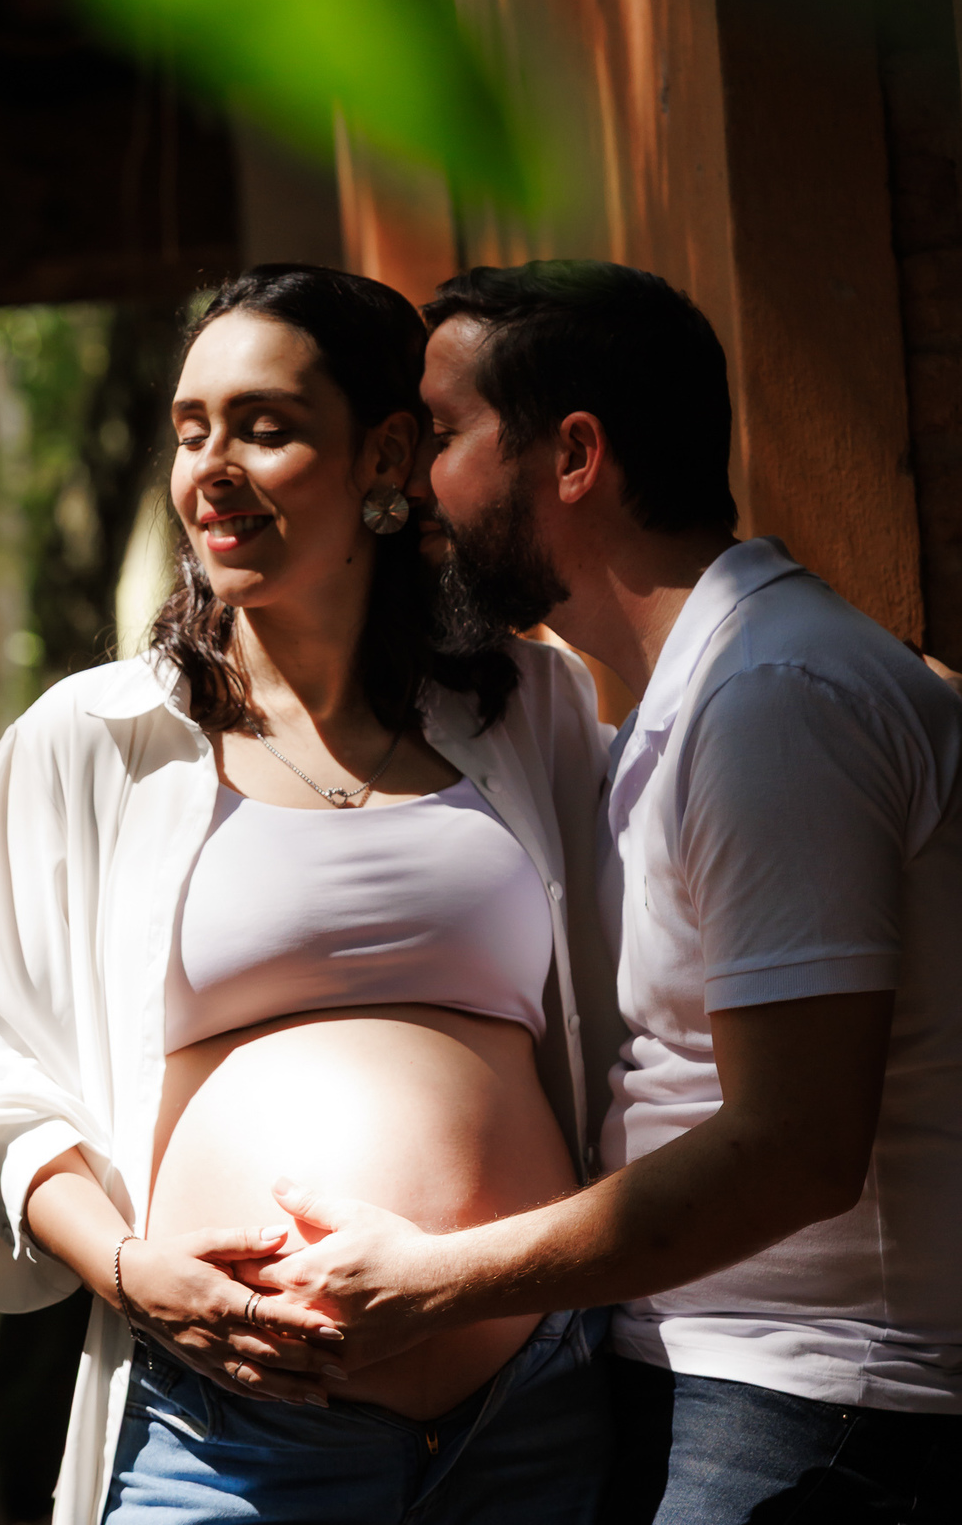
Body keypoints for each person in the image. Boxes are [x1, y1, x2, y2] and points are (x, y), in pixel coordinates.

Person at [0, 264, 620, 1525]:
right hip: (230, 1431)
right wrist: (130, 1273)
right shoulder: (94, 741)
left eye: (264, 428)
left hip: (534, 1411)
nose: (209, 470)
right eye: (191, 432)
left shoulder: (529, 708)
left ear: (387, 453)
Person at [255, 261, 962, 1523]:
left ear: (574, 454)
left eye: (452, 433)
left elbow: (796, 1149)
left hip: (817, 1407)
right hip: (712, 1376)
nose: (414, 484)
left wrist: (437, 1279)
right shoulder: (686, 698)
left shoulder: (771, 697)